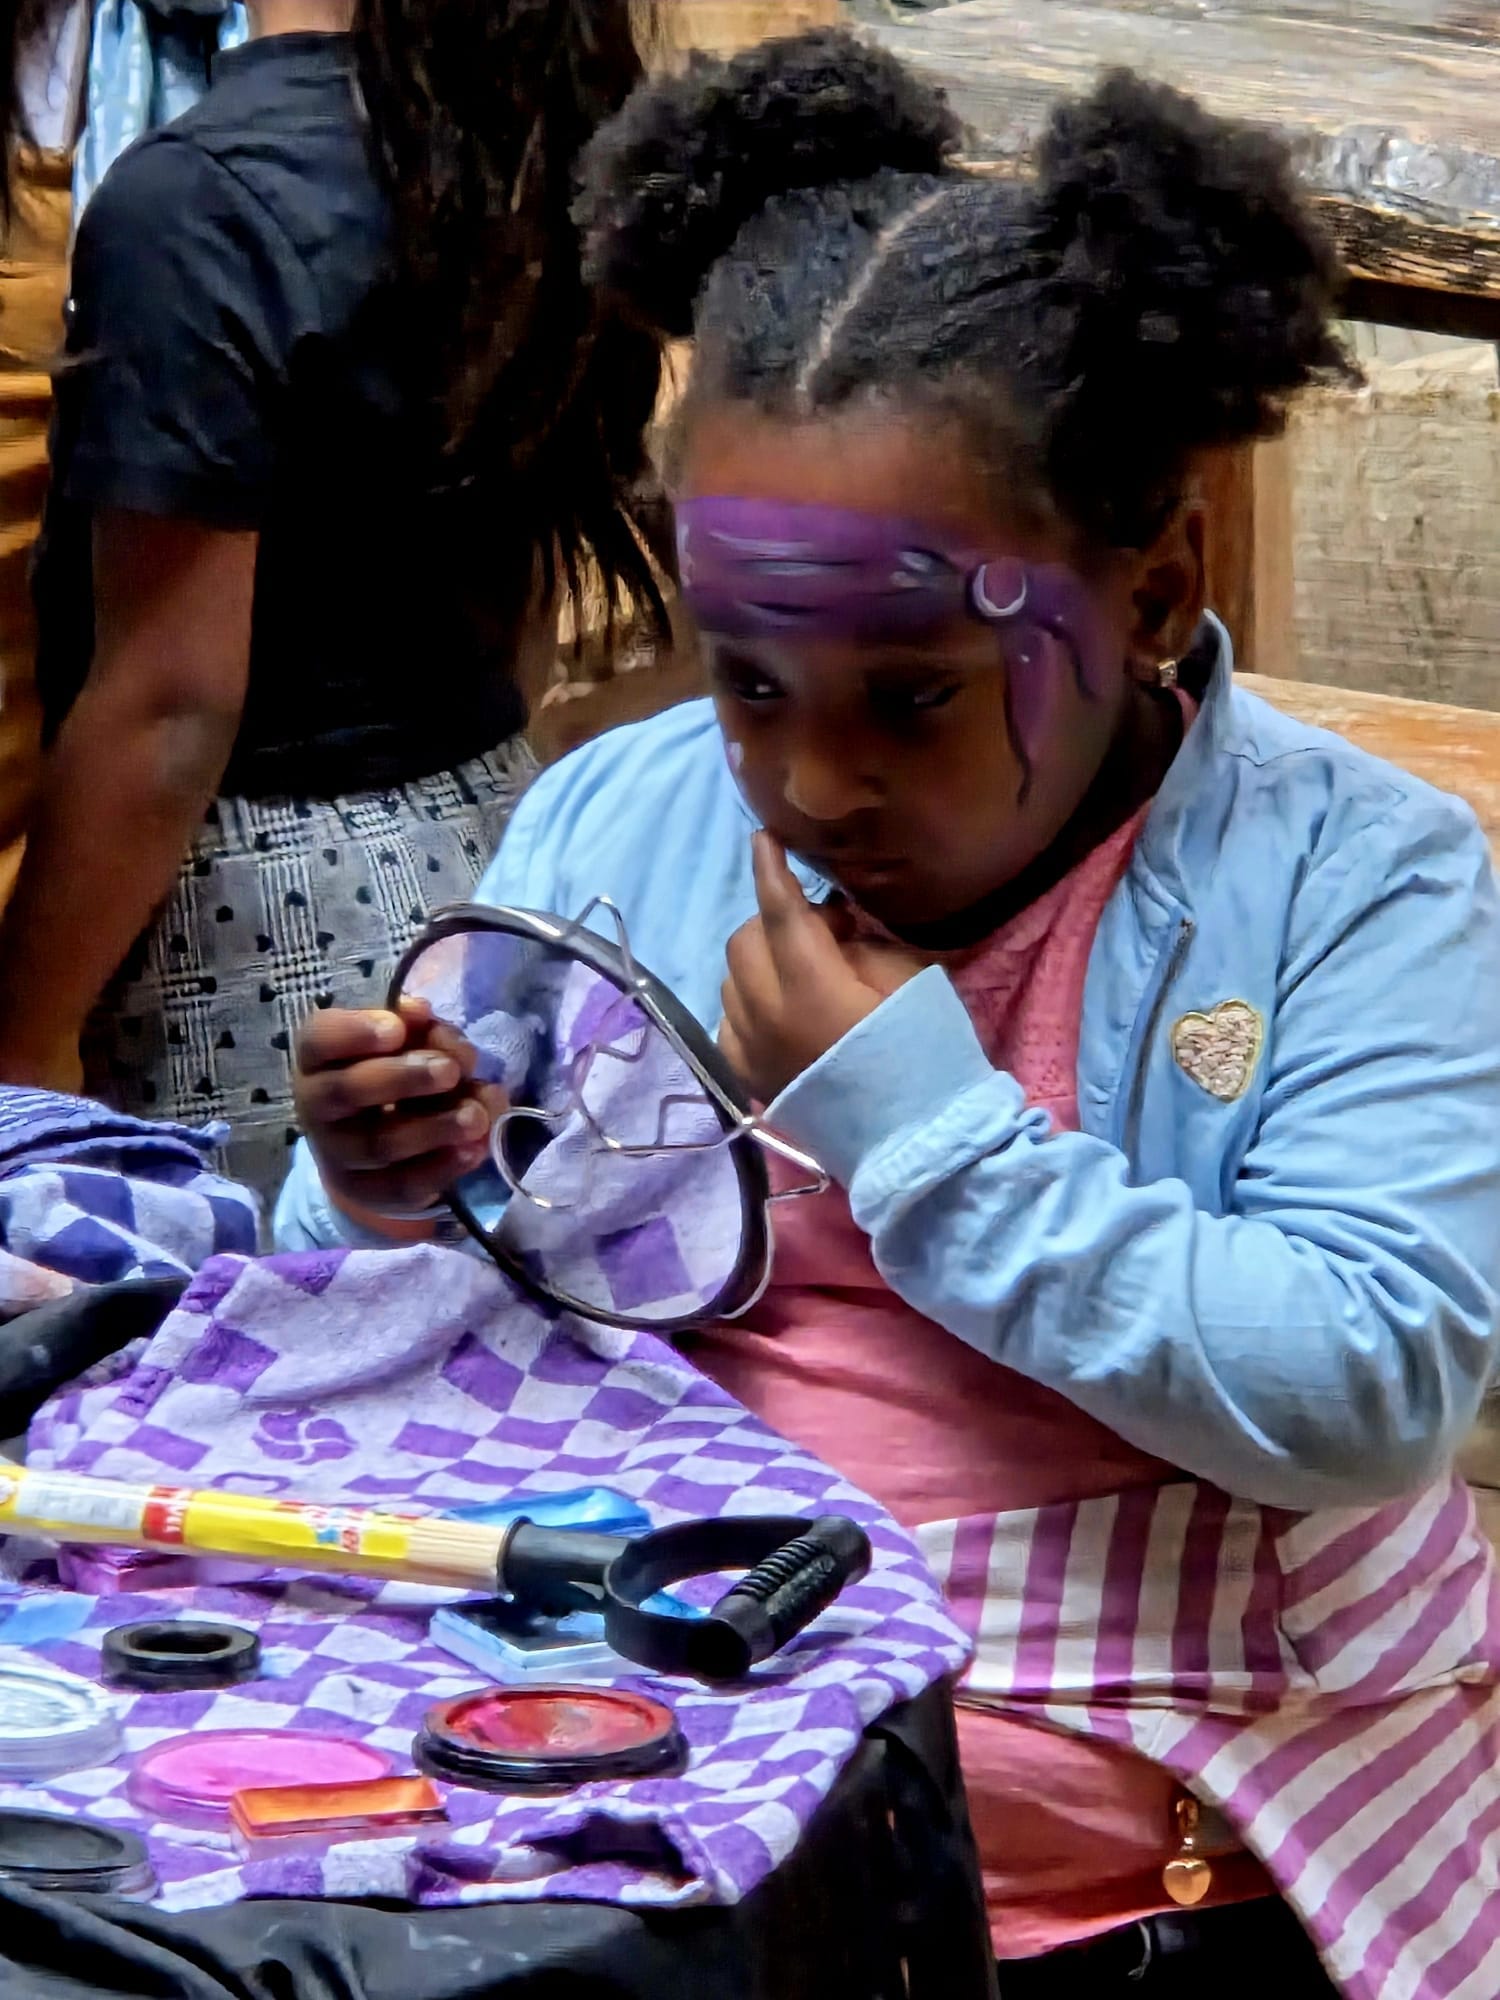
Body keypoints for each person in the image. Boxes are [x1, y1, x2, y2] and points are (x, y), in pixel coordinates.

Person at [276, 32, 1500, 1994]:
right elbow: (445, 1331)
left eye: (916, 694)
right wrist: (400, 1192)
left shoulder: (1358, 880)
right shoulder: (620, 821)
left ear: (1154, 594)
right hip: (663, 1801)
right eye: (748, 678)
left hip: (1163, 1870)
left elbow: (1368, 1383)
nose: (810, 782)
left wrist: (921, 1122)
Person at [0, 0, 667, 1201]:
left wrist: (26, 1041)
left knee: (243, 1285)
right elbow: (521, 592)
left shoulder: (194, 203)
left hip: (247, 923)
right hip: (490, 852)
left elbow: (170, 705)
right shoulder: (520, 152)